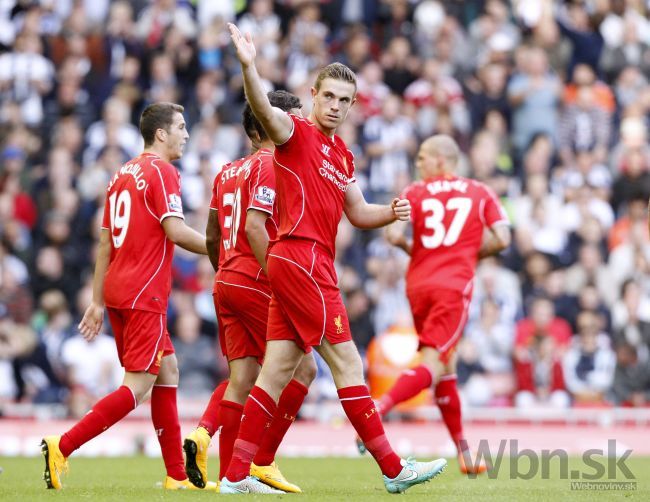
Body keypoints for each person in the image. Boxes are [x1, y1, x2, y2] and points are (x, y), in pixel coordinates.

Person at [220, 23, 447, 495]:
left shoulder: (341, 154)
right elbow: (263, 108)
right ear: (314, 95)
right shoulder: (295, 132)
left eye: (346, 100)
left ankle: (235, 477)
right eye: (330, 97)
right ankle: (392, 469)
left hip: (302, 261)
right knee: (348, 364)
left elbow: (359, 212)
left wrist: (392, 212)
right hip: (303, 259)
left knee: (277, 371)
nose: (337, 107)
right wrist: (249, 66)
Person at [41, 103, 214, 490]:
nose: (186, 134)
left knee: (168, 372)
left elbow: (104, 243)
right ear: (161, 134)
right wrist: (220, 249)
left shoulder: (121, 173)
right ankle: (62, 446)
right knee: (136, 387)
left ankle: (176, 476)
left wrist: (97, 300)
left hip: (119, 290)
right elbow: (175, 230)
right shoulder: (163, 172)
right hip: (144, 292)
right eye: (181, 127)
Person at [182, 90, 316, 493]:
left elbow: (210, 234)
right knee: (303, 368)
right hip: (258, 278)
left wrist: (223, 270)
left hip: (225, 279)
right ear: (266, 123)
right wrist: (274, 275)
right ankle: (261, 461)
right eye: (291, 117)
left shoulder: (226, 172)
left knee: (242, 375)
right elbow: (256, 228)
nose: (297, 125)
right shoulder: (274, 165)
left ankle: (221, 462)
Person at [377, 135, 511, 474]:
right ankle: (378, 409)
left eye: (422, 157)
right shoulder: (480, 192)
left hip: (418, 285)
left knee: (445, 368)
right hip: (453, 287)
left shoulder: (413, 192)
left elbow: (392, 236)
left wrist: (418, 251)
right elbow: (503, 238)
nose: (418, 163)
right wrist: (465, 254)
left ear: (441, 159)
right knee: (435, 362)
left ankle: (464, 452)